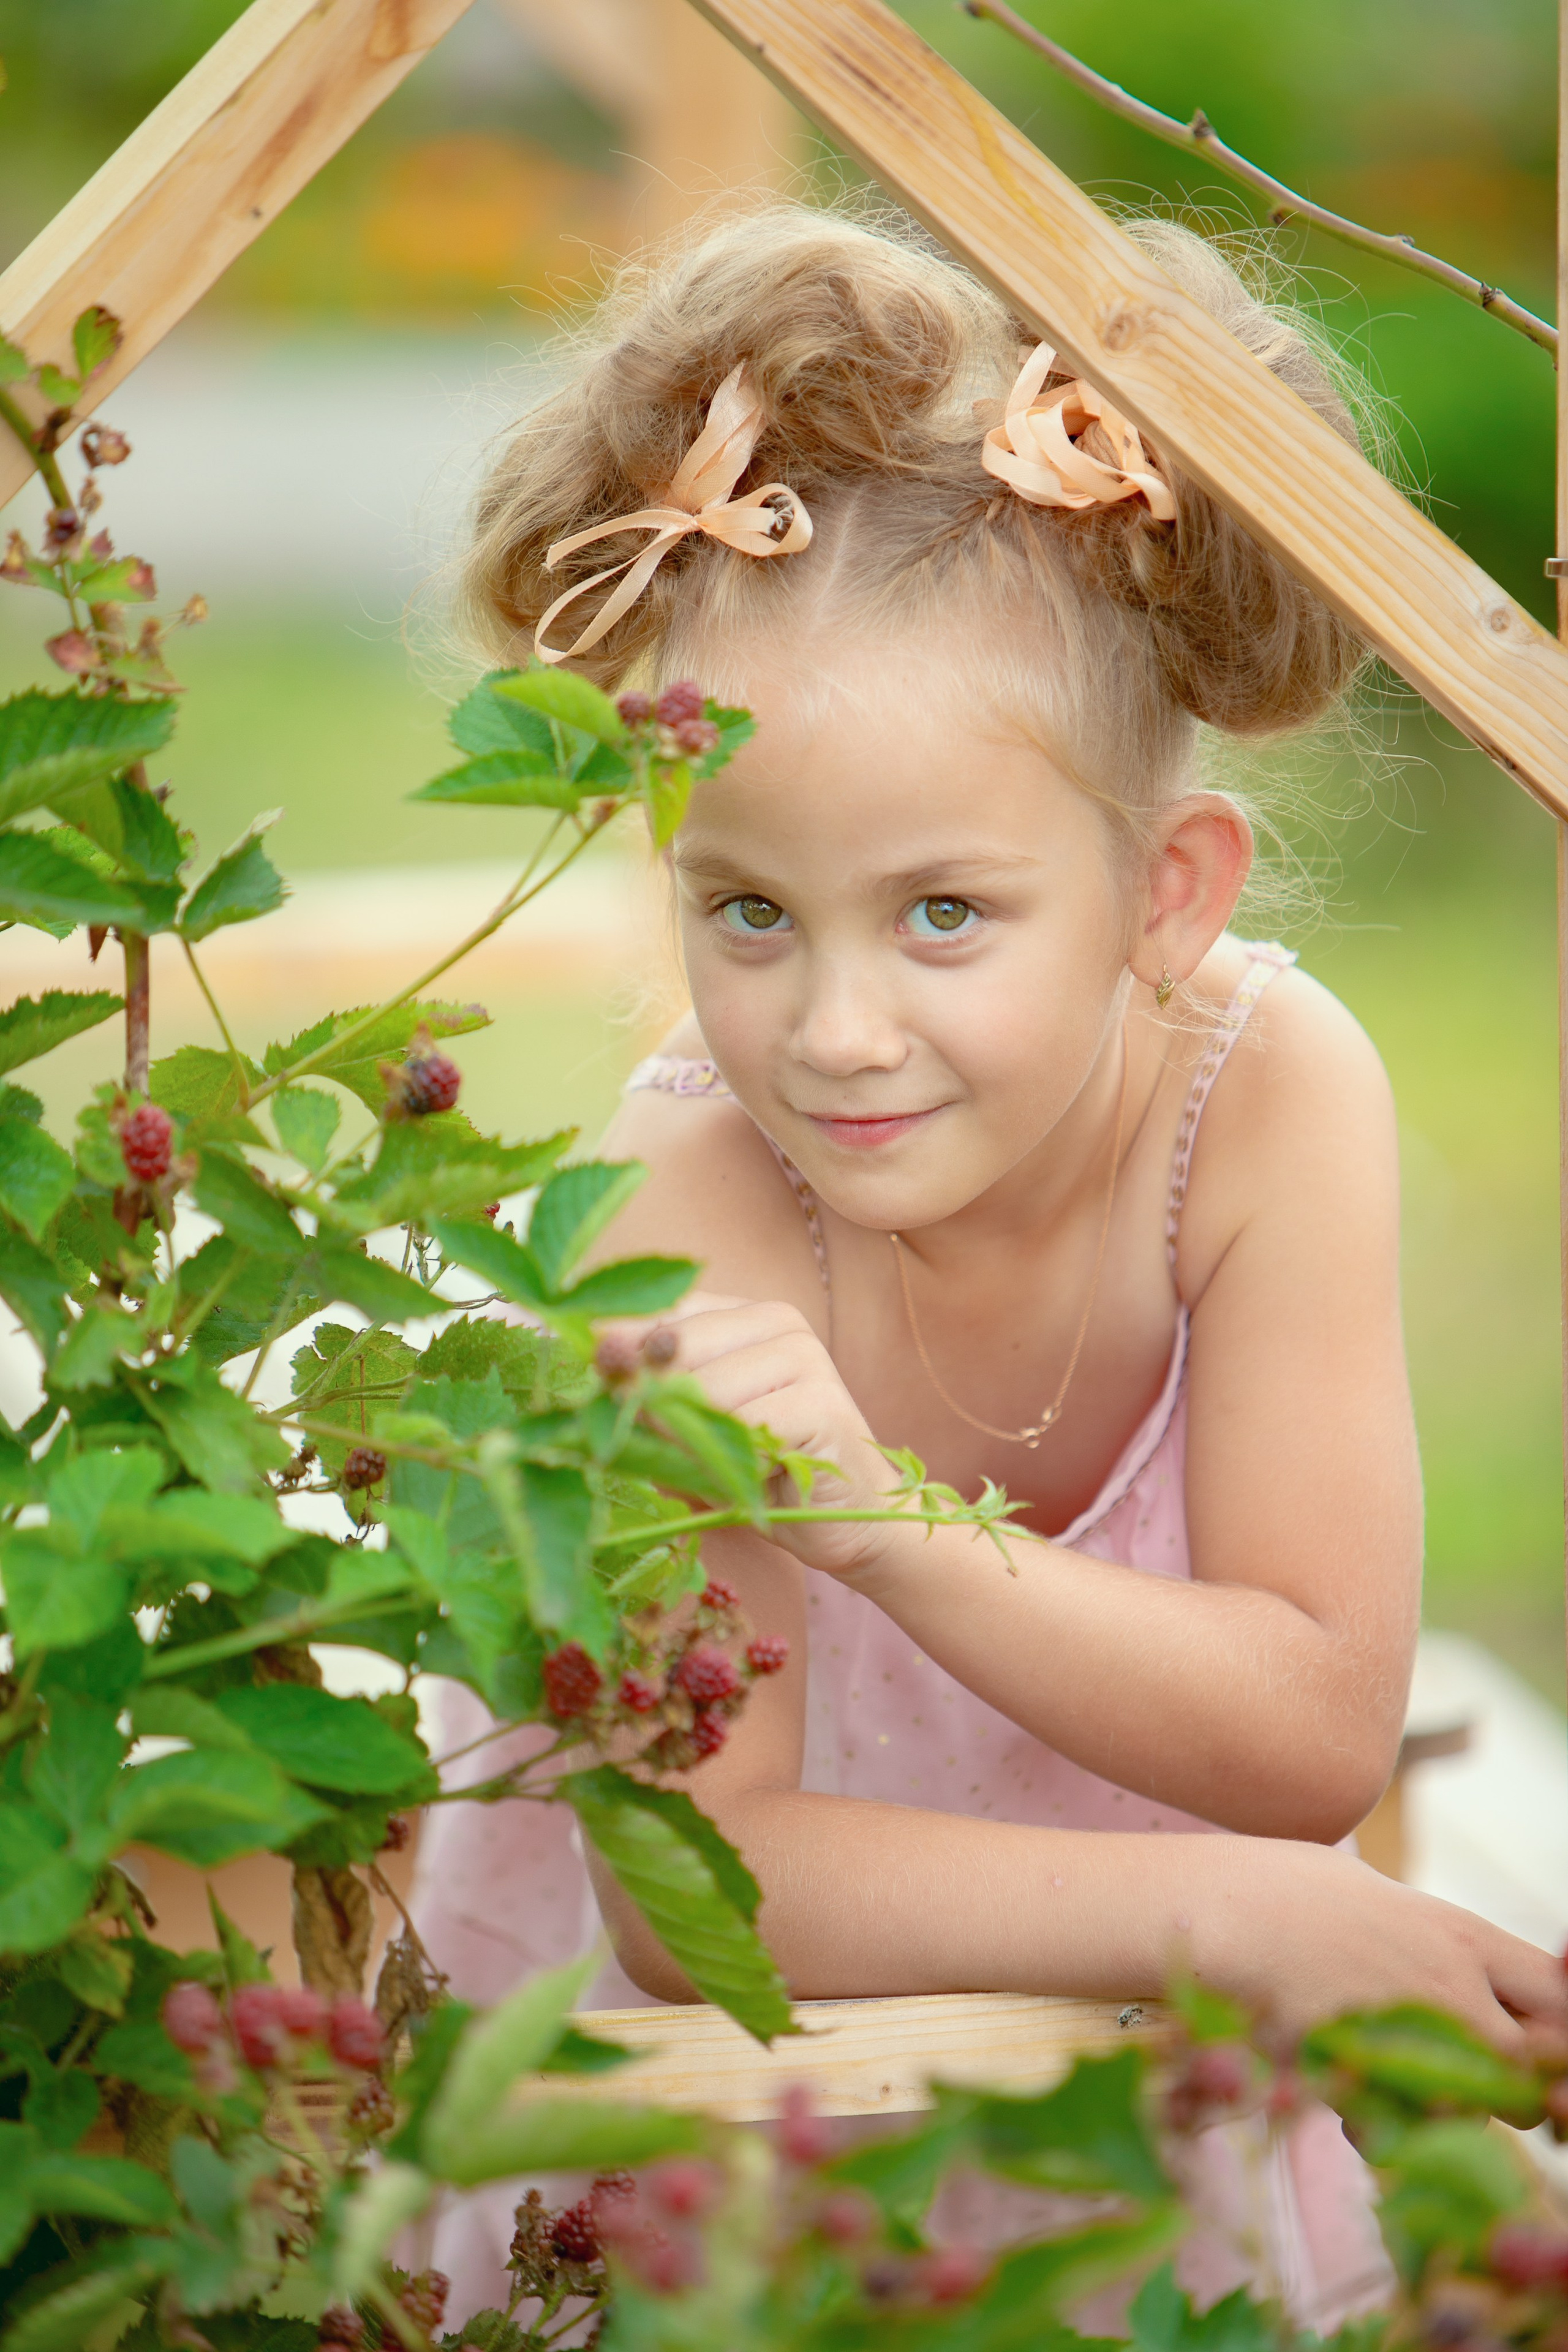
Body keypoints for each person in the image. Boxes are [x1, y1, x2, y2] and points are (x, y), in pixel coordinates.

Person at [412, 202, 1567, 2321]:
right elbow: (699, 1889)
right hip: (739, 2114)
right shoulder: (696, 1207)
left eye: (945, 914)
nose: (831, 1030)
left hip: (1109, 2090)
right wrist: (1230, 1924)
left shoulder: (1272, 1102)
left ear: (1166, 893)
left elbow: (1317, 1728)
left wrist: (892, 1537)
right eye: (748, 913)